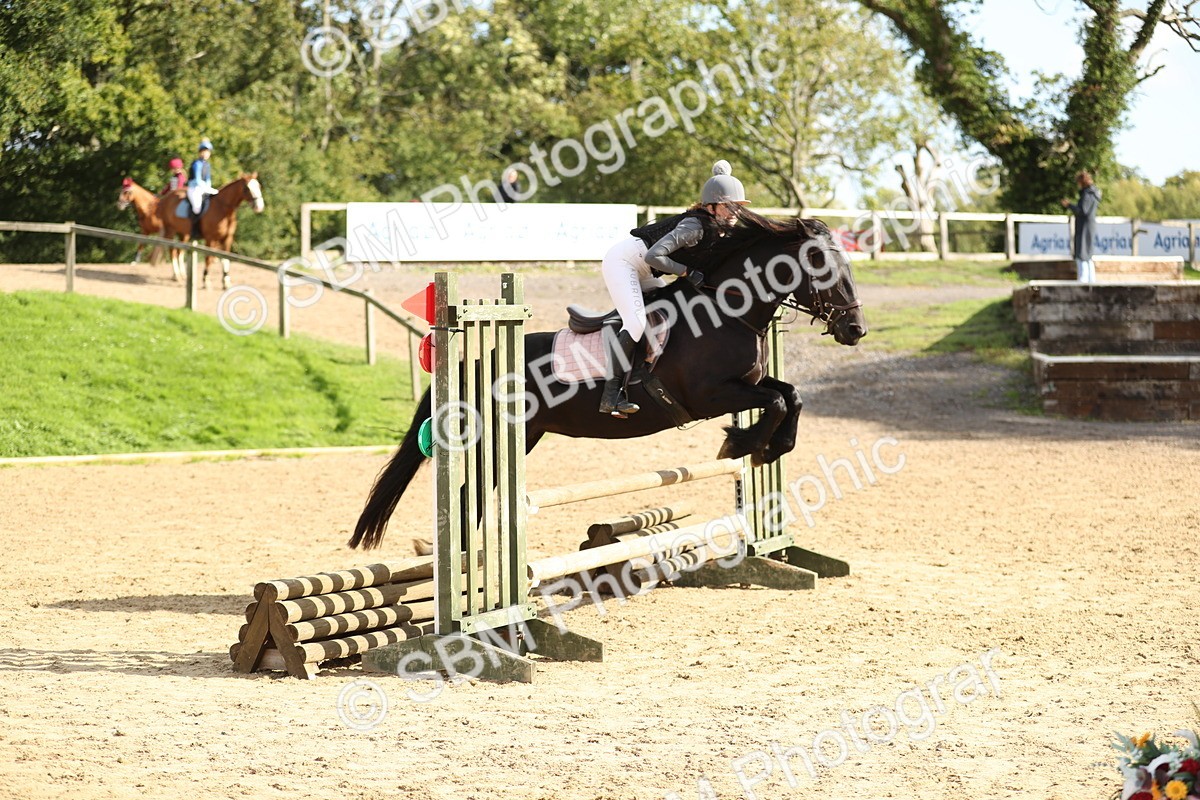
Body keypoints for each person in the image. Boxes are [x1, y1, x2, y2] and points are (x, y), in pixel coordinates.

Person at [597, 160, 750, 417]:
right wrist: (687, 272)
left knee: (667, 308)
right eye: (729, 205)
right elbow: (654, 256)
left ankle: (646, 371)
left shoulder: (719, 229)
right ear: (711, 206)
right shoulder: (695, 227)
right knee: (635, 323)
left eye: (738, 206)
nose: (735, 211)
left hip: (646, 270)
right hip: (625, 262)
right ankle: (610, 395)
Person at [1061, 170, 1101, 283]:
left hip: (1084, 225)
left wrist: (1069, 205)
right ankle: (1090, 279)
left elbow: (1083, 210)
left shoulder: (1088, 194)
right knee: (1087, 253)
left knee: (1083, 252)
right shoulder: (1093, 193)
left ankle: (1083, 280)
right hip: (1089, 225)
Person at [187, 140, 216, 217]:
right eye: (204, 151)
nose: (206, 154)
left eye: (208, 152)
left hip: (204, 188)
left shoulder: (207, 165)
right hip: (194, 188)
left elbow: (208, 179)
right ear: (200, 152)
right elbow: (197, 180)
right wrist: (206, 188)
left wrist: (209, 188)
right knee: (197, 208)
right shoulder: (197, 164)